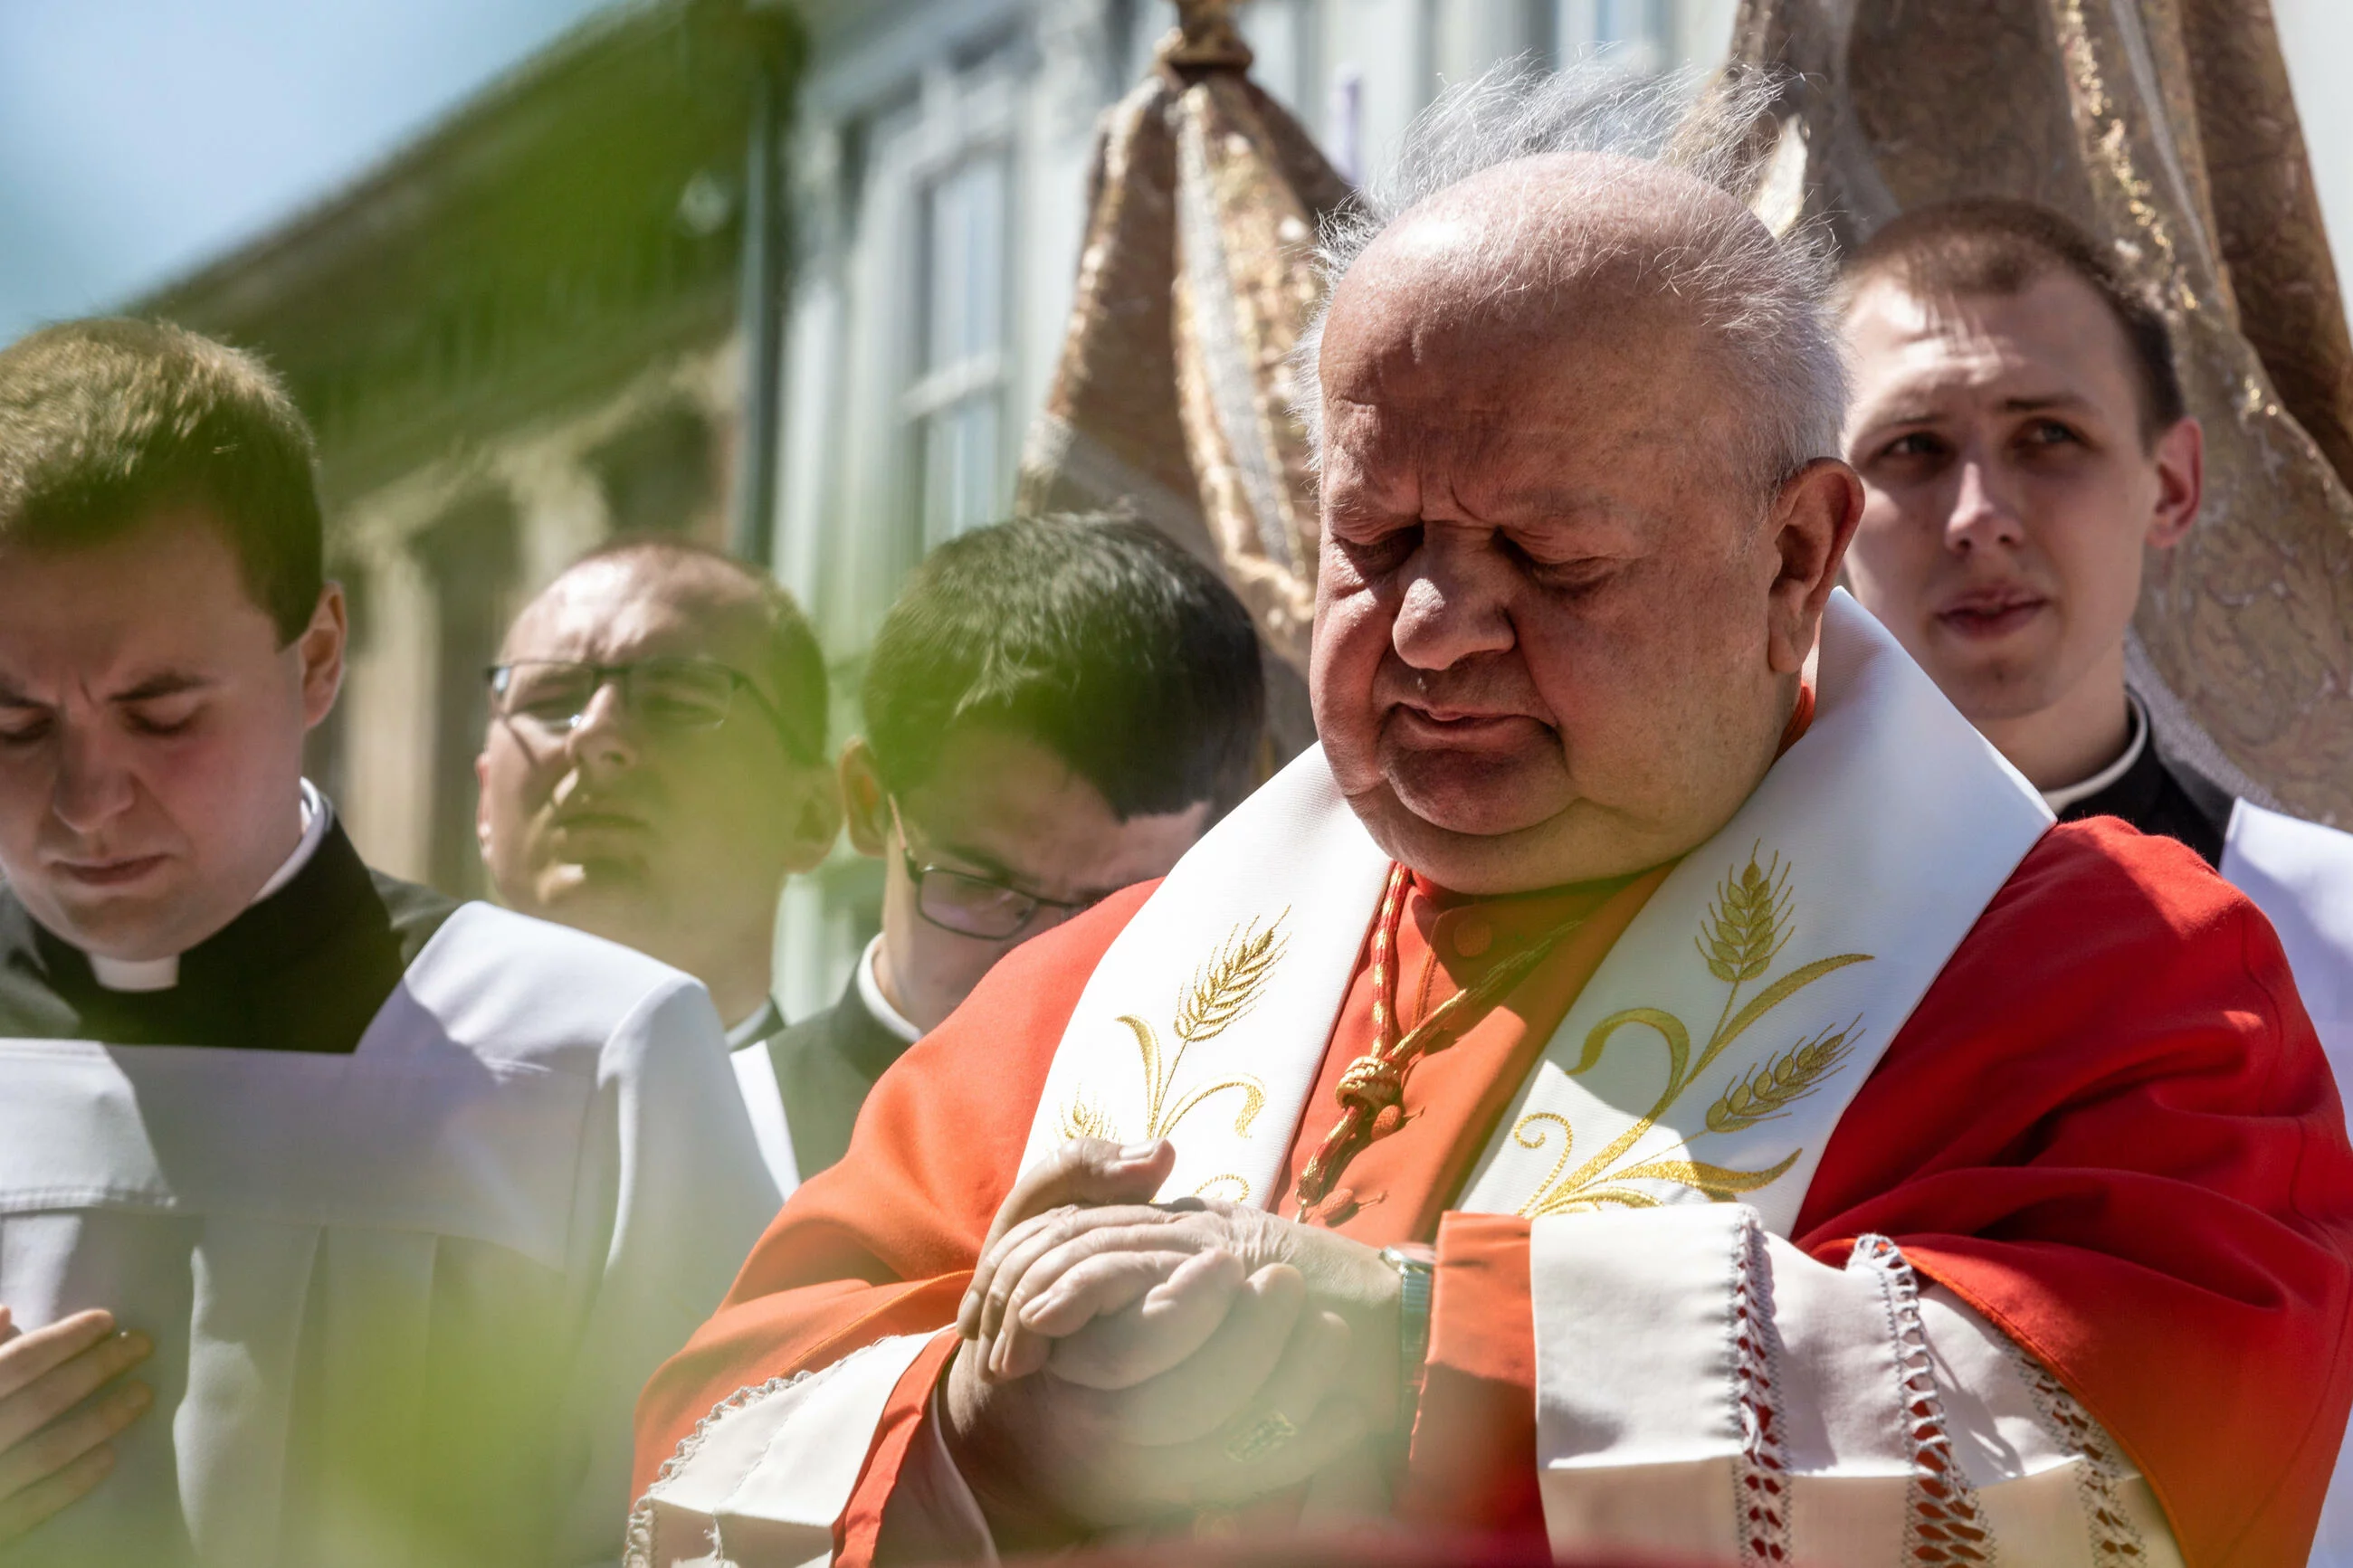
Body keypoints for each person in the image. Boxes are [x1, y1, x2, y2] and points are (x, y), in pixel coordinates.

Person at [626, 71, 2353, 1567]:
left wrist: (1411, 1350)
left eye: (1552, 555)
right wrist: (969, 1423)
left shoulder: (2112, 977)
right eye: (1377, 545)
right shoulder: (1102, 987)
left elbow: (2120, 1471)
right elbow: (709, 1440)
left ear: (1796, 555)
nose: (1439, 626)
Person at [0, 318, 777, 1564]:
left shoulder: (586, 1057)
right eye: (13, 721)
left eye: (161, 713)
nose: (87, 799)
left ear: (315, 659)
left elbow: (738, 1529)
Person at [1834, 195, 2353, 1561]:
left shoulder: (2346, 931)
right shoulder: (1696, 952)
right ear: (1810, 518)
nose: (1981, 514)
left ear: (2170, 483)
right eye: (1912, 450)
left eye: (2047, 439)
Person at [751, 514, 1265, 1184]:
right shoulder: (707, 1141)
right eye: (983, 886)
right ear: (871, 803)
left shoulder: (1264, 1141)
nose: (1042, 968)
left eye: (1114, 910)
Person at [477, 537, 841, 1193]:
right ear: (484, 800)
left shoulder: (888, 1172)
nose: (595, 735)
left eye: (675, 700)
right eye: (550, 698)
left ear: (812, 813)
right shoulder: (353, 1133)